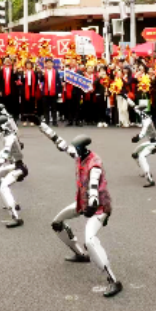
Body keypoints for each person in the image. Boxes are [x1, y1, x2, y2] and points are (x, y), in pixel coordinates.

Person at [30, 115, 123, 297]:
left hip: (99, 208)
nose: (76, 152)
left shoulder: (94, 164)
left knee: (90, 240)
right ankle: (80, 254)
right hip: (82, 202)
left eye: (78, 149)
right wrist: (40, 124)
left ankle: (113, 280)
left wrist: (93, 202)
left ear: (84, 148)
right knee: (57, 223)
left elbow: (94, 185)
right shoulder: (80, 156)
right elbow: (60, 143)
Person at [128, 98, 156, 187]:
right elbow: (134, 107)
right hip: (149, 142)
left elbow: (143, 132)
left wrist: (137, 138)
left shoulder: (147, 120)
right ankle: (145, 170)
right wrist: (125, 97)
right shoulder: (143, 115)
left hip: (153, 144)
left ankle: (149, 179)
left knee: (142, 157)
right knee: (135, 154)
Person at [40, 58, 61, 125]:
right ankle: (47, 121)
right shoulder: (43, 71)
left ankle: (54, 121)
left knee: (54, 107)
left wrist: (59, 92)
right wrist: (42, 75)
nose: (49, 64)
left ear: (52, 64)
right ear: (45, 64)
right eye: (47, 63)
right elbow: (40, 81)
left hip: (54, 92)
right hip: (45, 92)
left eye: (50, 63)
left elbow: (58, 82)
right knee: (45, 108)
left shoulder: (56, 72)